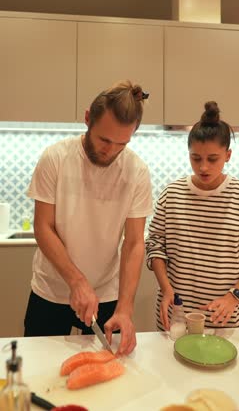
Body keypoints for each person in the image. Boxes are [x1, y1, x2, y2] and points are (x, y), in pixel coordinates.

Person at [24, 80, 153, 355]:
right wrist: (77, 281)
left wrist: (125, 308)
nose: (111, 151)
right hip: (51, 290)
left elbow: (133, 244)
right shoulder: (56, 158)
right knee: (40, 367)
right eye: (104, 140)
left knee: (107, 372)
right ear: (87, 119)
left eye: (122, 143)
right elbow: (43, 227)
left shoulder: (136, 171)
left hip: (107, 293)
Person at [146, 101, 239, 331]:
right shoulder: (171, 195)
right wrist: (166, 288)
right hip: (178, 316)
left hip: (228, 318)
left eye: (212, 159)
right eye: (196, 158)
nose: (203, 168)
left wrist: (234, 296)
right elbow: (155, 246)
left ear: (228, 155)